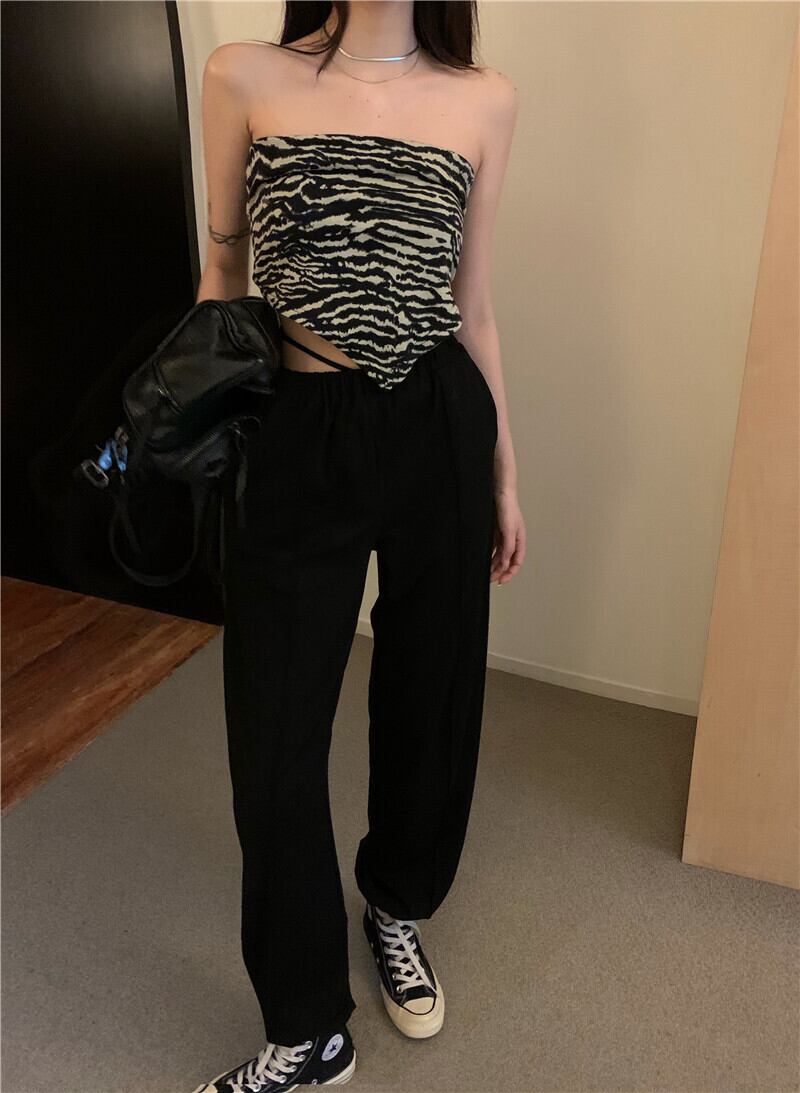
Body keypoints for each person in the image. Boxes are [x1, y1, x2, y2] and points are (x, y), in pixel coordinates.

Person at [193, 3, 524, 1090]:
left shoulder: (484, 99)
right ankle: (308, 1026)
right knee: (274, 730)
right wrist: (208, 436)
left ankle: (394, 901)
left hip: (439, 422)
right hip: (299, 426)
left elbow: (473, 306)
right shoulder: (241, 76)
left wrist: (504, 474)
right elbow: (222, 281)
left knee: (431, 691)